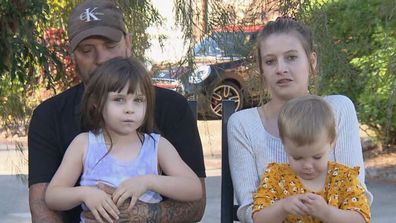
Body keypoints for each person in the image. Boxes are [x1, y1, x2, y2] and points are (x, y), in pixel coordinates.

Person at [28, 0, 206, 222]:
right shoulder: (55, 120)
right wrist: (85, 193)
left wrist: (145, 197)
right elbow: (46, 202)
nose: (101, 59)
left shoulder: (163, 127)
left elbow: (196, 199)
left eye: (110, 46)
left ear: (128, 43)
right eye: (86, 50)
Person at [227, 17, 372, 223]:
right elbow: (250, 211)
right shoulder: (243, 124)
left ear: (312, 61)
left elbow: (358, 199)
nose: (281, 69)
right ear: (261, 69)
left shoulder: (338, 109)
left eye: (291, 57)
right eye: (270, 61)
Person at [45, 57, 203, 223]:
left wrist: (148, 182)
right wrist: (85, 193)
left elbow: (194, 188)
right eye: (119, 100)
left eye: (138, 100)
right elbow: (53, 195)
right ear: (97, 103)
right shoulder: (84, 144)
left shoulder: (157, 146)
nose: (130, 109)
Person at [252, 95, 370, 223]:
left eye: (317, 157)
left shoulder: (343, 178)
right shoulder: (276, 177)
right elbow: (258, 219)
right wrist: (282, 207)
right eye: (297, 158)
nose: (307, 165)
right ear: (284, 145)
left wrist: (327, 213)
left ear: (331, 143)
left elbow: (361, 219)